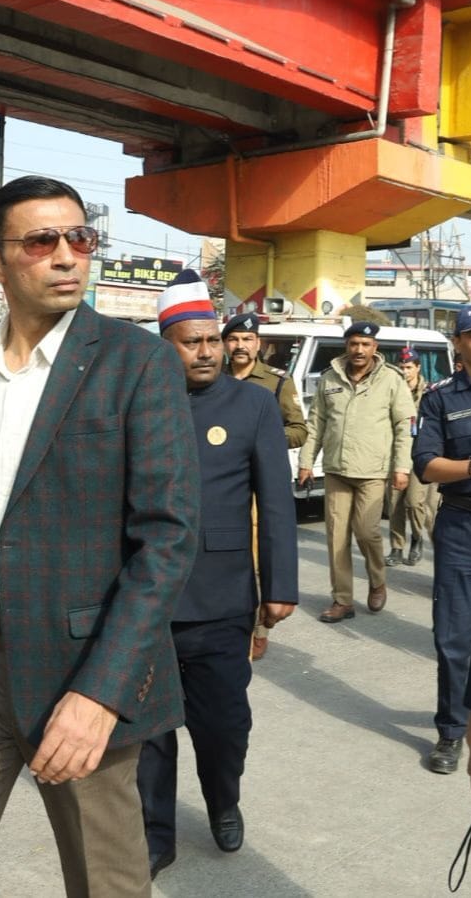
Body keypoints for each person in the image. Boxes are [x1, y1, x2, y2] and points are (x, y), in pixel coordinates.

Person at [0, 175, 200, 898]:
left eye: (79, 238)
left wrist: (101, 693)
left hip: (80, 659)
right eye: (40, 241)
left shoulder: (136, 362)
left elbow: (166, 539)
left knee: (105, 880)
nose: (66, 255)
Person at [138, 277, 297, 880]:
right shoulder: (139, 400)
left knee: (224, 725)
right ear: (165, 345)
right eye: (192, 342)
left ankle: (223, 801)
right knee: (149, 732)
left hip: (222, 596)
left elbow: (275, 501)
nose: (207, 352)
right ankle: (155, 833)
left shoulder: (252, 405)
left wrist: (279, 585)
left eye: (213, 340)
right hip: (146, 599)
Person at [298, 321, 416, 623]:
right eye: (354, 344)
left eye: (365, 344)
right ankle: (342, 600)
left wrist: (402, 467)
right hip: (337, 470)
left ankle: (377, 581)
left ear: (375, 347)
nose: (359, 350)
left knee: (366, 531)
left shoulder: (391, 379)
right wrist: (306, 462)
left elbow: (404, 427)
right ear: (346, 346)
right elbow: (316, 423)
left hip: (372, 471)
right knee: (336, 537)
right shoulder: (330, 377)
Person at [222, 311, 307, 660]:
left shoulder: (276, 382)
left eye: (247, 339)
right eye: (233, 339)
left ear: (258, 344)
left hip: (260, 483)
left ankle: (259, 627)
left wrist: (262, 439)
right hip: (222, 484)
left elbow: (299, 430)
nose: (240, 346)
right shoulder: (212, 377)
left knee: (259, 558)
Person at [413, 304, 471, 775]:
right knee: (454, 637)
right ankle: (451, 732)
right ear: (457, 343)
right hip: (461, 527)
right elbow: (426, 465)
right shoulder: (439, 398)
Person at [387, 347, 437, 567]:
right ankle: (397, 547)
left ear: (418, 367)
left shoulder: (431, 392)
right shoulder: (393, 390)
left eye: (408, 367)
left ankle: (417, 538)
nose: (405, 371)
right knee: (394, 504)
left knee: (415, 502)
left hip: (421, 454)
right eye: (402, 367)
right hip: (397, 453)